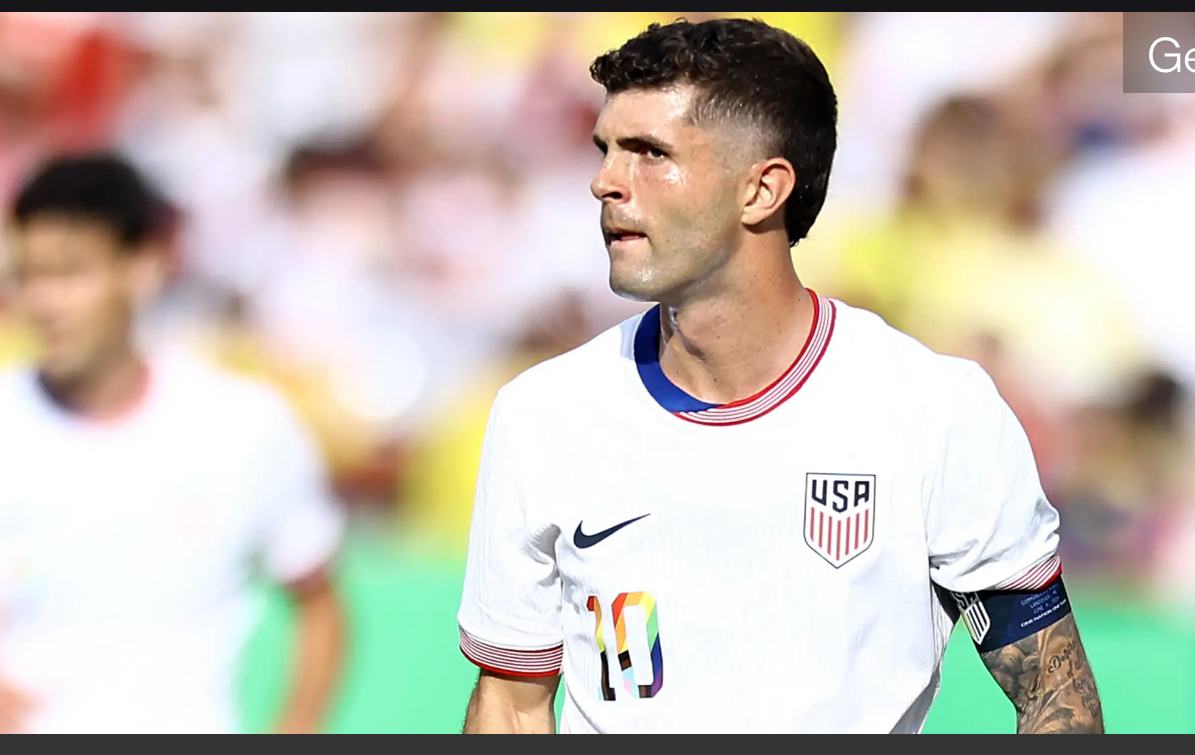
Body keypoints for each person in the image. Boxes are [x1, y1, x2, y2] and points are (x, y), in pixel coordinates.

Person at [456, 18, 1104, 734]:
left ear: (762, 190)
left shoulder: (933, 410)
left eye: (650, 153)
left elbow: (1053, 696)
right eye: (606, 150)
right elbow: (509, 702)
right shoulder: (542, 413)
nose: (605, 182)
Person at [0, 153, 347, 734]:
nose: (45, 302)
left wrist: (297, 728)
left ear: (145, 267)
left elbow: (317, 602)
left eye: (70, 274)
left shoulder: (242, 424)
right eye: (29, 276)